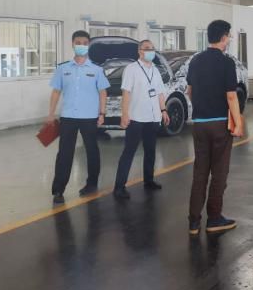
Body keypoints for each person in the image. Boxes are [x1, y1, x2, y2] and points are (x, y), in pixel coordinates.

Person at [186, 20, 244, 235]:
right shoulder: (226, 62)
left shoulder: (195, 60)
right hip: (220, 124)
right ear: (223, 37)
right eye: (228, 36)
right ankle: (214, 218)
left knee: (200, 172)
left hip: (199, 124)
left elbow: (189, 91)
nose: (229, 40)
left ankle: (193, 222)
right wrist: (238, 123)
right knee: (219, 173)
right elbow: (231, 96)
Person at [47, 30, 110, 204]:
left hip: (89, 117)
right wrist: (51, 113)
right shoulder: (63, 69)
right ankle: (58, 190)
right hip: (68, 117)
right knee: (64, 154)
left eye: (84, 43)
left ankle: (92, 184)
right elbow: (56, 92)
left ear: (88, 45)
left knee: (92, 151)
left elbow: (103, 92)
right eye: (78, 42)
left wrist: (102, 113)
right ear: (72, 44)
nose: (81, 45)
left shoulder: (97, 70)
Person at [113, 40, 170, 200]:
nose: (150, 51)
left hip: (153, 117)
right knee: (129, 152)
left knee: (150, 151)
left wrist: (163, 110)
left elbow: (160, 93)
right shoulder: (131, 69)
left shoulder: (155, 70)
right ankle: (119, 187)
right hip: (136, 117)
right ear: (140, 51)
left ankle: (149, 180)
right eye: (147, 49)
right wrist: (124, 114)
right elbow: (126, 93)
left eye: (152, 48)